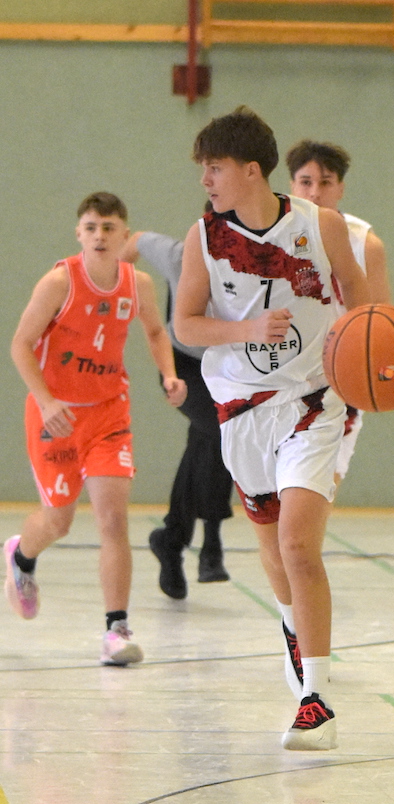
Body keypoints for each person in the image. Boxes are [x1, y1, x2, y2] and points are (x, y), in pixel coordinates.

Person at [173, 107, 370, 751]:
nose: (206, 178)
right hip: (241, 410)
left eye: (215, 167)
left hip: (314, 402)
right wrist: (245, 331)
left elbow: (365, 310)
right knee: (269, 541)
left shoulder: (324, 227)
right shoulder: (204, 238)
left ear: (251, 170)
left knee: (297, 545)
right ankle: (293, 628)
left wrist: (370, 363)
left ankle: (314, 697)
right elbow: (186, 327)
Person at [4, 191, 186, 665]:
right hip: (57, 417)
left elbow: (153, 331)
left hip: (108, 414)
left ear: (125, 235)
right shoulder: (58, 282)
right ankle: (21, 556)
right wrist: (45, 402)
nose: (100, 236)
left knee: (112, 519)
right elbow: (21, 345)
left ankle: (116, 630)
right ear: (78, 234)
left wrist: (168, 373)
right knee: (58, 522)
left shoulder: (137, 283)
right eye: (91, 227)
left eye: (109, 227)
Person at [120, 226, 235, 600]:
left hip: (226, 367)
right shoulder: (179, 254)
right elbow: (135, 241)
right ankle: (211, 543)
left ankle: (171, 540)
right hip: (182, 367)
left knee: (206, 439)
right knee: (220, 430)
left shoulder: (252, 260)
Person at [285, 139, 391, 486]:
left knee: (322, 486)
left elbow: (381, 318)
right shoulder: (274, 236)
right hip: (284, 374)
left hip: (338, 377)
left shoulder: (364, 242)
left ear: (340, 188)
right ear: (292, 186)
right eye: (305, 182)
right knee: (277, 495)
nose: (314, 192)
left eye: (325, 182)